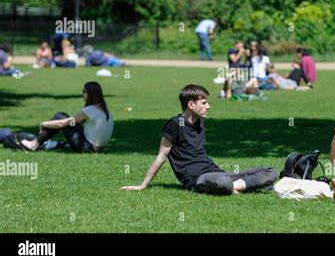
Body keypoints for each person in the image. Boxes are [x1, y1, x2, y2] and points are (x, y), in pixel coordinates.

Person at [120, 84, 277, 195]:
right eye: (204, 103)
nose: (208, 106)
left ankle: (234, 187)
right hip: (197, 179)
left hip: (216, 173)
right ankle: (241, 187)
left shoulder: (199, 122)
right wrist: (143, 185)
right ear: (191, 105)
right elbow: (161, 157)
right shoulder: (174, 125)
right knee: (223, 182)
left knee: (270, 171)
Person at [19, 82, 114, 153]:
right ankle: (44, 143)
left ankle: (34, 144)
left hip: (87, 148)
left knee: (59, 116)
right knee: (65, 119)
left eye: (84, 91)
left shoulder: (89, 110)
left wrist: (43, 124)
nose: (82, 93)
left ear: (90, 94)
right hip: (98, 149)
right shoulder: (105, 110)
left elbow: (62, 123)